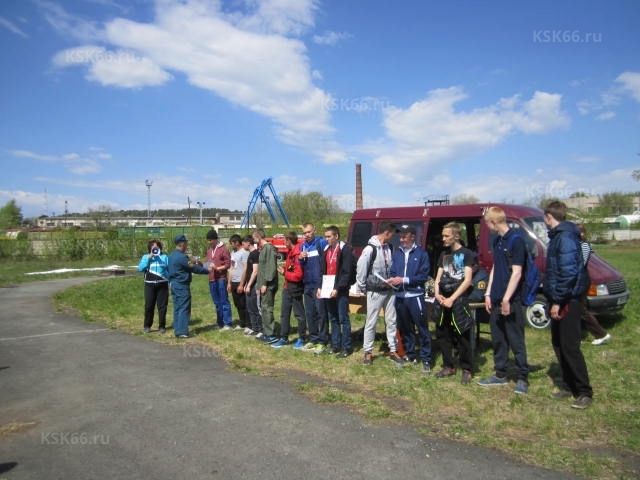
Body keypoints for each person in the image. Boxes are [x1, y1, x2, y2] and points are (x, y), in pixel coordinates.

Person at [543, 202, 593, 409]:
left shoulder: (564, 238)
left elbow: (569, 273)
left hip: (568, 300)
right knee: (559, 343)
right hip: (560, 297)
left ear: (548, 217)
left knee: (570, 346)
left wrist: (558, 301)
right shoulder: (559, 237)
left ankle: (583, 391)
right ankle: (568, 385)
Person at [478, 206, 530, 395]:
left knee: (516, 340)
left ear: (493, 222)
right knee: (498, 339)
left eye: (487, 223)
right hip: (497, 299)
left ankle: (522, 377)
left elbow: (517, 272)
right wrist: (488, 294)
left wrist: (507, 298)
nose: (487, 227)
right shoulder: (498, 241)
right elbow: (494, 269)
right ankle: (500, 374)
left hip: (511, 300)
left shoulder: (516, 240)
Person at [355, 221, 404, 365]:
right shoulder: (370, 249)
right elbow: (361, 268)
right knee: (372, 321)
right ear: (387, 233)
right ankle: (368, 353)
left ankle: (393, 350)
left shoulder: (389, 247)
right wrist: (362, 287)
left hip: (390, 291)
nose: (394, 237)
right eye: (393, 234)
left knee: (391, 321)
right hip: (375, 291)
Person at [432, 222, 474, 383]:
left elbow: (467, 280)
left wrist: (452, 299)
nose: (443, 238)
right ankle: (448, 366)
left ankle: (467, 369)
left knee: (462, 335)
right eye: (443, 235)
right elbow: (438, 278)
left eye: (446, 235)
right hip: (443, 301)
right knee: (443, 334)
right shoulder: (444, 255)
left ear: (456, 236)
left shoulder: (467, 254)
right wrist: (437, 294)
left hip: (458, 301)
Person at [388, 225, 432, 373]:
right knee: (406, 329)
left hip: (415, 296)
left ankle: (426, 358)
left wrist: (404, 280)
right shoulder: (397, 253)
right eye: (400, 237)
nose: (401, 240)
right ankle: (411, 355)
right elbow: (393, 271)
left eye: (404, 237)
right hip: (400, 297)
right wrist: (392, 279)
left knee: (422, 329)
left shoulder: (422, 254)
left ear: (412, 236)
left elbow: (423, 276)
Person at [317, 225, 355, 357]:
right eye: (325, 236)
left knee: (343, 318)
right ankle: (335, 345)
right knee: (333, 318)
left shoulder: (345, 250)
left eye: (329, 236)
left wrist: (337, 288)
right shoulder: (326, 250)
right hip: (328, 289)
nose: (326, 239)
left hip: (340, 290)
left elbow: (346, 272)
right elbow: (322, 271)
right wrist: (320, 287)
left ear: (336, 236)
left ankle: (347, 347)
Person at [167, 234, 212, 338]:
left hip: (174, 283)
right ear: (182, 244)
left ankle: (177, 329)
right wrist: (207, 270)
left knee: (177, 307)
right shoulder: (182, 257)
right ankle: (182, 331)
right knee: (184, 307)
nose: (187, 245)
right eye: (186, 243)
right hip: (182, 285)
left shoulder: (172, 255)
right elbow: (193, 268)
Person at [576, 223, 611, 346]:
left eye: (580, 231)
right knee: (577, 310)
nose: (578, 233)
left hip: (581, 280)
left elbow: (581, 263)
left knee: (581, 310)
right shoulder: (577, 245)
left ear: (583, 233)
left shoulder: (584, 245)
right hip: (579, 280)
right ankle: (577, 336)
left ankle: (601, 334)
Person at [271, 231, 306, 348]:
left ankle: (301, 338)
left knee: (299, 315)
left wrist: (285, 273)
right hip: (287, 288)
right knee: (284, 314)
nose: (283, 242)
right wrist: (285, 268)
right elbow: (291, 267)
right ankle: (284, 338)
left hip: (295, 289)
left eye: (284, 240)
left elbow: (298, 275)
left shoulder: (297, 254)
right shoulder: (291, 253)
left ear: (289, 240)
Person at [299, 222, 328, 353]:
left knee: (321, 313)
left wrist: (323, 284)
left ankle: (323, 341)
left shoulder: (320, 243)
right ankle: (313, 339)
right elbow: (301, 265)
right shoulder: (303, 245)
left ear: (314, 230)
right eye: (304, 233)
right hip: (307, 284)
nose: (307, 235)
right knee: (310, 313)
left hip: (319, 284)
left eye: (309, 232)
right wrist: (300, 258)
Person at [137, 238, 169, 334]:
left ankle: (162, 326)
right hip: (149, 285)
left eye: (157, 246)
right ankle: (147, 326)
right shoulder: (146, 257)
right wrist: (149, 258)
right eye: (153, 247)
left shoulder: (164, 257)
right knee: (149, 306)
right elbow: (140, 268)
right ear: (150, 248)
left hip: (162, 284)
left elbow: (169, 270)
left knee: (162, 306)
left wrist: (170, 281)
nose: (155, 248)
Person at [253, 228, 279, 343]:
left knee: (267, 308)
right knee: (263, 308)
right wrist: (259, 285)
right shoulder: (263, 249)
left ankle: (271, 334)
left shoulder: (268, 248)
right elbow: (261, 269)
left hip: (268, 285)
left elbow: (270, 267)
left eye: (254, 238)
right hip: (263, 284)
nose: (254, 241)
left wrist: (265, 284)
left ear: (258, 237)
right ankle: (267, 331)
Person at [205, 229, 233, 331]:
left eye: (210, 240)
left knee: (224, 301)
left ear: (215, 239)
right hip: (212, 279)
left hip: (221, 278)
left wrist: (218, 268)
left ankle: (228, 323)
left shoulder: (223, 249)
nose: (209, 242)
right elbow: (208, 263)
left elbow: (228, 264)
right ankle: (220, 322)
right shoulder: (209, 251)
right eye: (208, 241)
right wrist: (201, 265)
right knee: (217, 302)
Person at [242, 235, 263, 337]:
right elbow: (249, 272)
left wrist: (249, 285)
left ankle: (260, 329)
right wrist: (246, 284)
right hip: (248, 285)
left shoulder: (255, 254)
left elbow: (255, 271)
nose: (242, 246)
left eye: (243, 244)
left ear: (248, 243)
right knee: (250, 308)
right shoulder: (250, 254)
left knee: (255, 308)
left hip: (254, 286)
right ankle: (254, 328)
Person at [228, 234, 249, 332]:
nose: (231, 246)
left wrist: (241, 284)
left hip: (241, 281)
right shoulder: (233, 253)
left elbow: (245, 268)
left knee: (243, 303)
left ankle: (247, 324)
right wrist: (229, 282)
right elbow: (231, 267)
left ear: (237, 242)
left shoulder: (244, 252)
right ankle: (242, 323)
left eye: (232, 243)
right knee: (237, 304)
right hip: (233, 282)